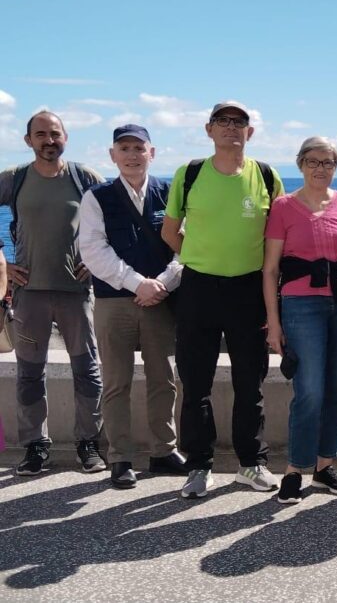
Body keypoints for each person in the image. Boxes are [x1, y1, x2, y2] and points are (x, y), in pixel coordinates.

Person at [161, 101, 284, 499]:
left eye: (240, 122)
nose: (232, 127)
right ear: (209, 129)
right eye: (223, 121)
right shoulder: (190, 173)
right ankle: (199, 467)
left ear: (250, 132)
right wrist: (199, 256)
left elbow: (278, 238)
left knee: (252, 382)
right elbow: (170, 231)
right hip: (199, 288)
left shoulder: (265, 176)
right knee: (195, 383)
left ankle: (251, 464)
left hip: (249, 290)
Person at [264, 137, 337, 504]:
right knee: (309, 390)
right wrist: (274, 322)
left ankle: (325, 466)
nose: (320, 169)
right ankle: (296, 470)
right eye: (313, 162)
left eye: (328, 162)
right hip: (301, 305)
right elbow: (270, 270)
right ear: (300, 164)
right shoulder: (283, 207)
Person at [79, 124, 188, 489]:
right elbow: (93, 250)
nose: (131, 154)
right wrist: (136, 283)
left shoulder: (169, 192)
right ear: (113, 155)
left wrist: (163, 283)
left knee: (164, 379)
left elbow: (187, 247)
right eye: (123, 148)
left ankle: (163, 450)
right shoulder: (97, 197)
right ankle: (120, 457)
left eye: (138, 148)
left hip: (160, 300)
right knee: (115, 382)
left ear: (151, 153)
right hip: (114, 302)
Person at [0, 111, 105, 476]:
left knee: (87, 371)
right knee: (29, 373)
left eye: (55, 134)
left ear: (65, 137)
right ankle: (35, 446)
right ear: (28, 140)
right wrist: (2, 263)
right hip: (29, 293)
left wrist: (95, 260)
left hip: (77, 292)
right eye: (40, 134)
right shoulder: (15, 179)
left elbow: (115, 217)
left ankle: (88, 444)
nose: (49, 140)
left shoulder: (83, 177)